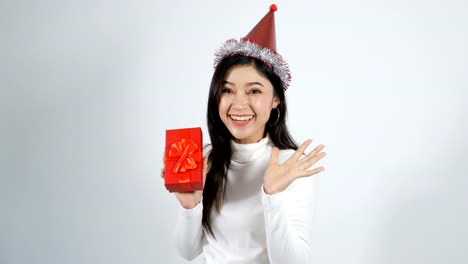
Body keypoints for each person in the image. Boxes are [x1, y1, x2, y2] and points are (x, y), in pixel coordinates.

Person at [162, 4, 326, 264]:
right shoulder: (203, 158)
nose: (238, 104)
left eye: (254, 91)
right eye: (227, 90)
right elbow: (188, 252)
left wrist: (272, 197)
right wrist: (190, 205)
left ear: (276, 101)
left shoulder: (289, 166)